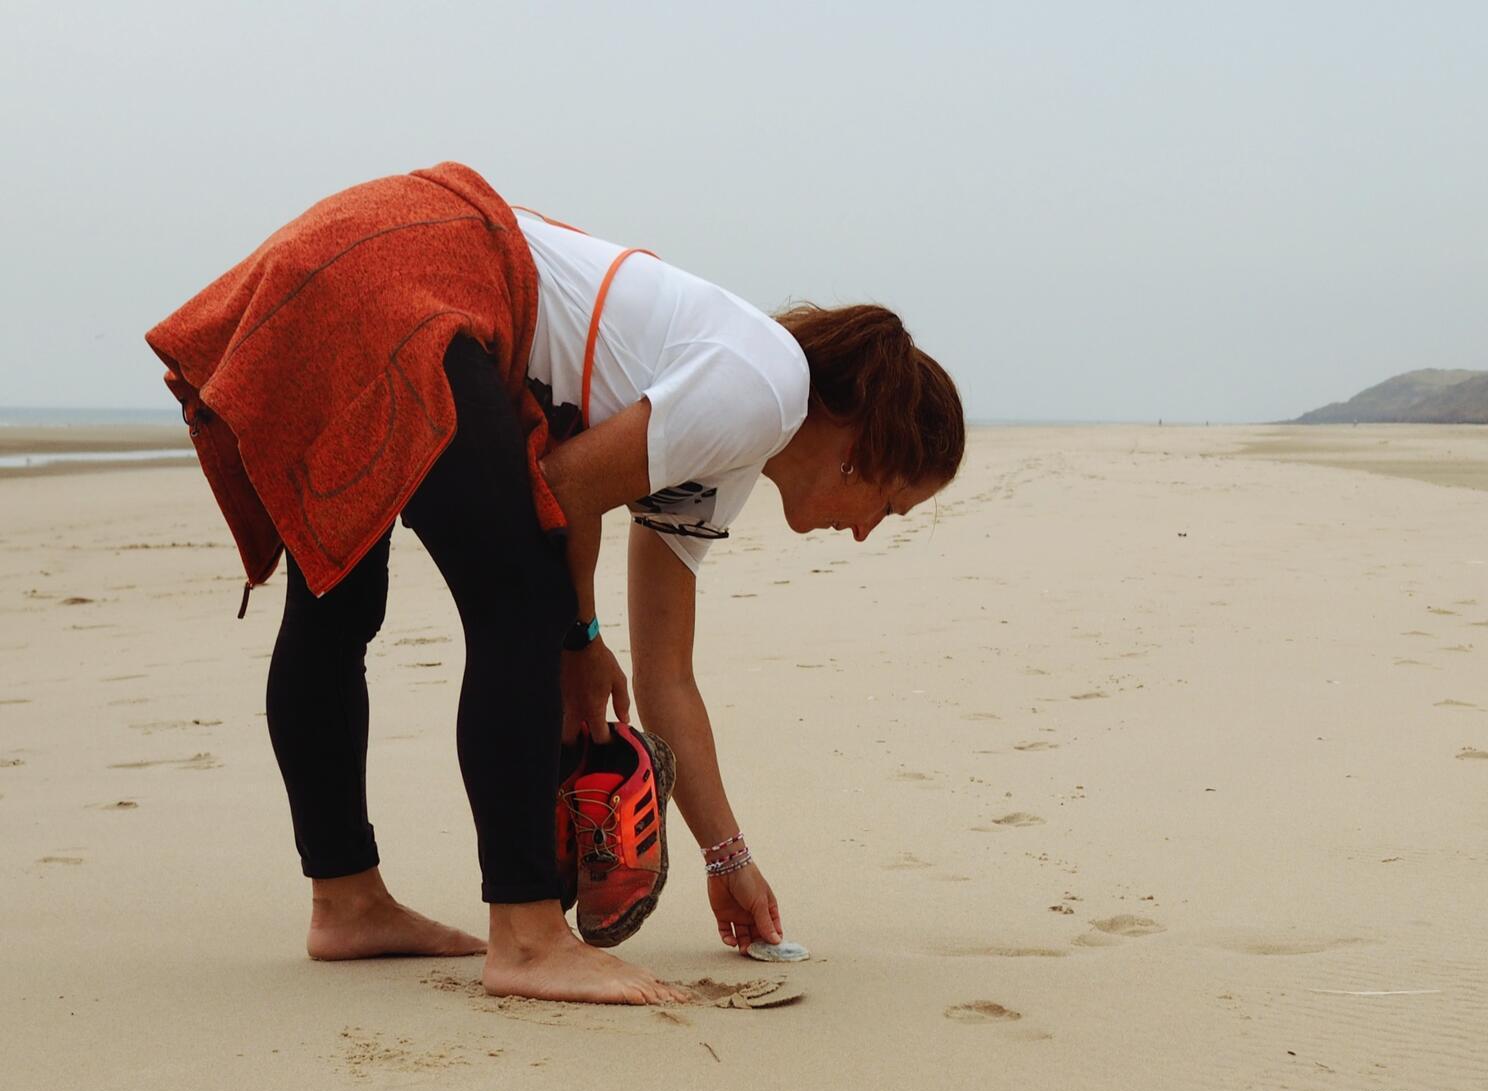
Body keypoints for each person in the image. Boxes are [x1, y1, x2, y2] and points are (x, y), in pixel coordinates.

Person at [145, 162, 963, 1005]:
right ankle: (529, 938)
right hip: (414, 264)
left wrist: (732, 864)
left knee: (338, 595)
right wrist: (576, 635)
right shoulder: (766, 390)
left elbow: (665, 678)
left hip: (357, 252)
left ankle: (347, 901)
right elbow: (560, 492)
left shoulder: (733, 449)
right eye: (891, 505)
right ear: (869, 442)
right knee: (525, 600)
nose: (866, 531)